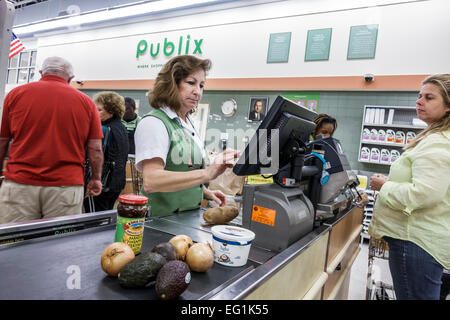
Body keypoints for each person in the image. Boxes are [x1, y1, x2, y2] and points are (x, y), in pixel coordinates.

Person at [368, 74, 450, 300]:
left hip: (415, 243)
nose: (419, 101)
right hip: (420, 242)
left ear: (448, 107)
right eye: (419, 95)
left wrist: (384, 186)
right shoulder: (436, 137)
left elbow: (423, 194)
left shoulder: (438, 141)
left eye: (429, 97)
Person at [0, 56, 104, 223]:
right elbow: (96, 149)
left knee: (13, 241)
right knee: (59, 243)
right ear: (70, 78)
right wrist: (96, 179)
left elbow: (2, 141)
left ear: (41, 73)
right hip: (65, 187)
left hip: (20, 184)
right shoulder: (87, 103)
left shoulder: (15, 95)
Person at [135, 55, 240, 217]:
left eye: (201, 85)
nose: (197, 91)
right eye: (191, 83)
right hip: (159, 220)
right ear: (171, 84)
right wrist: (207, 174)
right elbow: (152, 181)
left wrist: (203, 191)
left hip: (184, 218)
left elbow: (180, 171)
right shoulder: (155, 123)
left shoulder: (186, 123)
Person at [84, 91, 129, 212]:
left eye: (99, 110)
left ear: (111, 111)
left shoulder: (103, 129)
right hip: (117, 183)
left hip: (101, 183)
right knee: (105, 217)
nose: (95, 112)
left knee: (93, 220)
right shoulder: (122, 127)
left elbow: (90, 153)